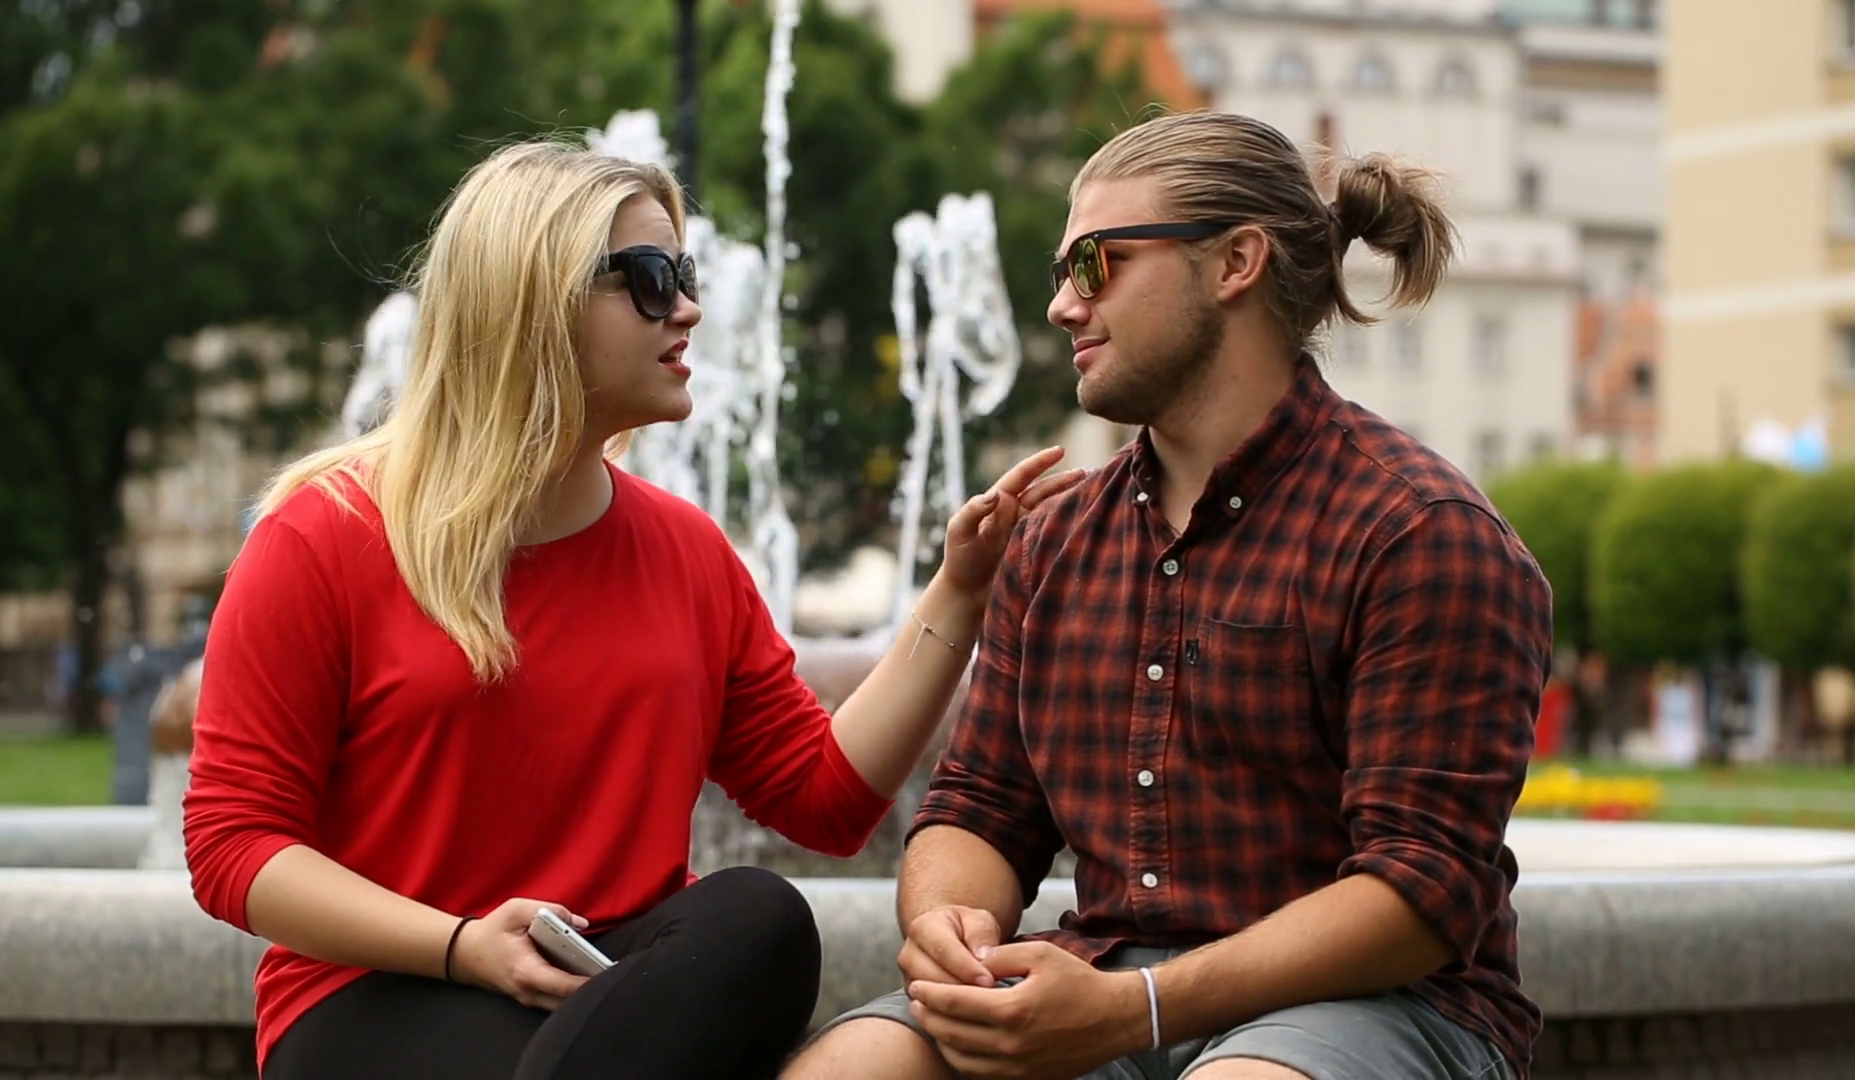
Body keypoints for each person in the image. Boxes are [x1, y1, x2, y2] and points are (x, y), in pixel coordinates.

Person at [181, 139, 1082, 1080]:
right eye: (650, 280)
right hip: (384, 994)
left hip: (616, 997)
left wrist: (960, 592)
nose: (688, 307)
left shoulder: (685, 551)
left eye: (686, 274)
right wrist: (461, 944)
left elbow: (826, 802)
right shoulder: (323, 536)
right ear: (534, 299)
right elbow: (233, 845)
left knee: (757, 916)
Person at [785, 110, 1553, 1080]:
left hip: (1377, 1008)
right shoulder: (1054, 543)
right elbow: (980, 808)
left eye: (1096, 264)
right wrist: (950, 928)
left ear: (1236, 262)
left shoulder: (1420, 534)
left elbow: (1420, 897)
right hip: (1104, 983)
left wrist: (1134, 1009)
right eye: (1060, 273)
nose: (1065, 305)